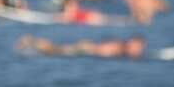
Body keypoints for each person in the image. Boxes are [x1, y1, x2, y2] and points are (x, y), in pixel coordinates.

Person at [16, 34, 146, 59]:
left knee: (55, 50)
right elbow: (103, 51)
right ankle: (31, 39)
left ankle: (32, 41)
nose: (140, 50)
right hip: (87, 48)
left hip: (87, 48)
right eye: (139, 46)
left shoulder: (122, 48)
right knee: (55, 50)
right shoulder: (120, 48)